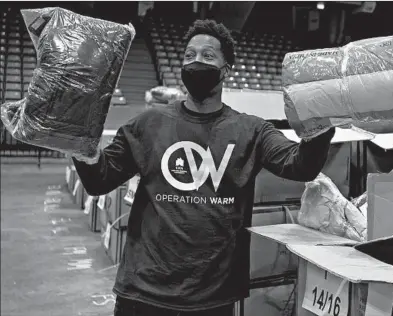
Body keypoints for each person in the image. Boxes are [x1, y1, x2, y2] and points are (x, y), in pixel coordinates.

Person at [73, 19, 335, 316]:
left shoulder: (251, 130)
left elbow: (299, 166)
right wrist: (77, 139)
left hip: (213, 298)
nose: (196, 62)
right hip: (143, 294)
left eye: (208, 56)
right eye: (189, 55)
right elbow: (99, 180)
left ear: (227, 69)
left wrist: (319, 124)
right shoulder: (147, 124)